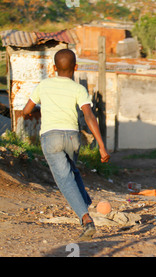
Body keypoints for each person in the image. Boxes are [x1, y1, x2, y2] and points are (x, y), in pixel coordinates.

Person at [22, 49, 110, 240]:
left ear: (54, 68)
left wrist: (31, 112)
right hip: (72, 138)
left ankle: (86, 220)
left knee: (64, 179)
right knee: (71, 170)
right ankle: (85, 201)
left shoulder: (43, 85)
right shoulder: (79, 89)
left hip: (51, 138)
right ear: (75, 67)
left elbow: (27, 109)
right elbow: (89, 116)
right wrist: (101, 145)